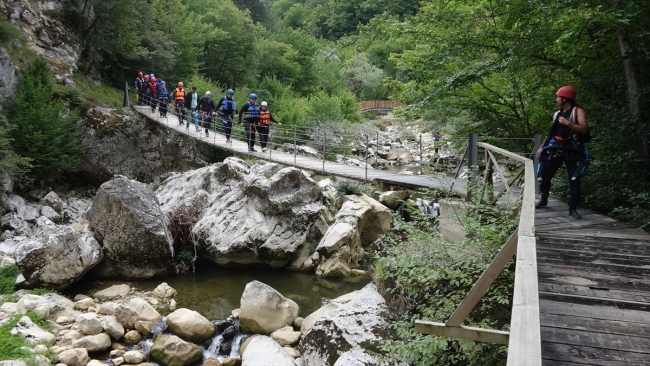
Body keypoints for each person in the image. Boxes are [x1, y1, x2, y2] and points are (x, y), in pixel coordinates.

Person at [536, 85, 590, 219]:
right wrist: (542, 147)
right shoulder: (557, 114)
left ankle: (573, 208)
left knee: (574, 179)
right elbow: (551, 133)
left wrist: (568, 123)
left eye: (558, 97)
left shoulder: (577, 111)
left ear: (565, 99)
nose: (556, 100)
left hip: (572, 149)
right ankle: (544, 199)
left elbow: (583, 129)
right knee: (545, 175)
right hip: (555, 148)